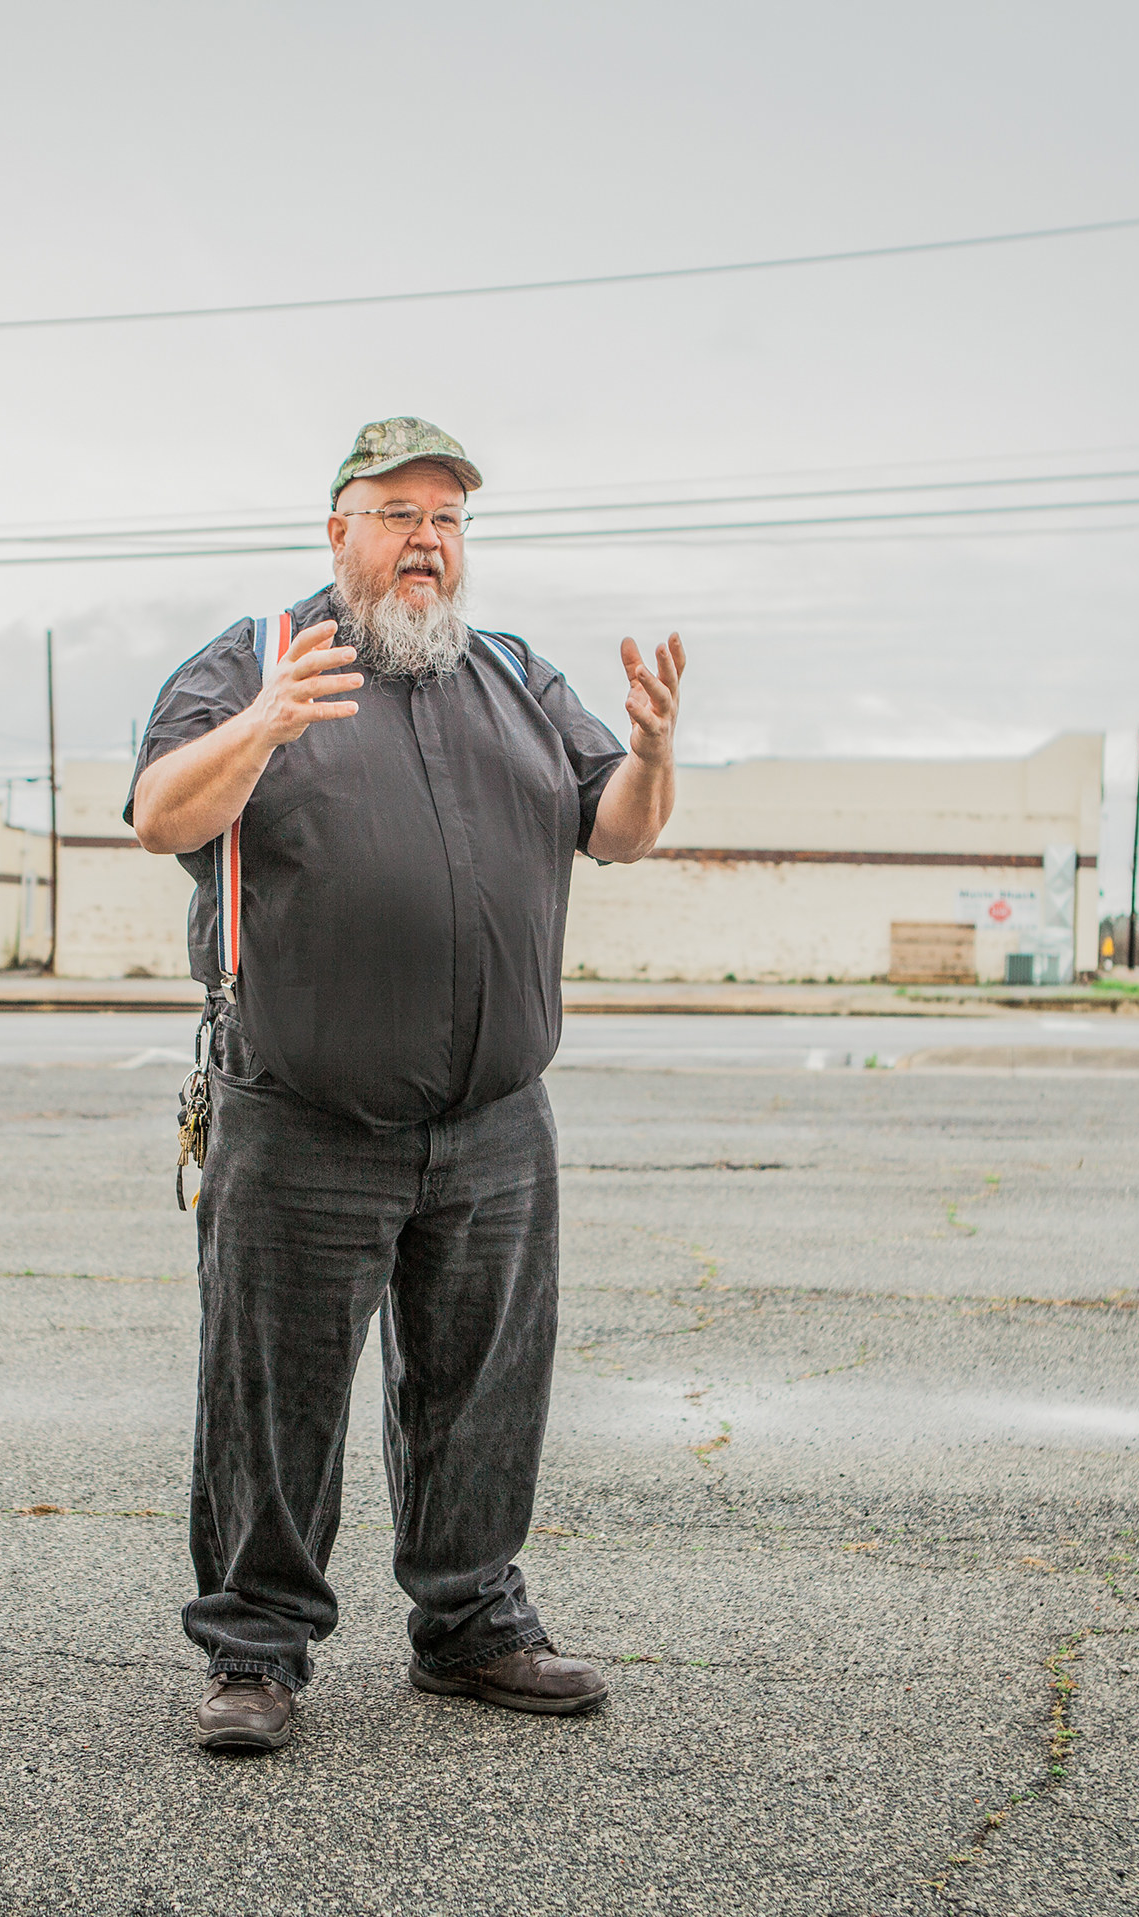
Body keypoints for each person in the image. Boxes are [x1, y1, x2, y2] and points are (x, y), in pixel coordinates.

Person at [127, 417, 686, 1753]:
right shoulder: (255, 661)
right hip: (302, 1108)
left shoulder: (513, 676)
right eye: (395, 513)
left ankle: (472, 1622)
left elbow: (617, 827)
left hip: (494, 1118)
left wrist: (658, 753)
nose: (424, 539)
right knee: (276, 1397)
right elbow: (161, 815)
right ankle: (256, 1647)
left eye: (446, 517)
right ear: (339, 532)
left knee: (486, 1384)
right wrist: (262, 726)